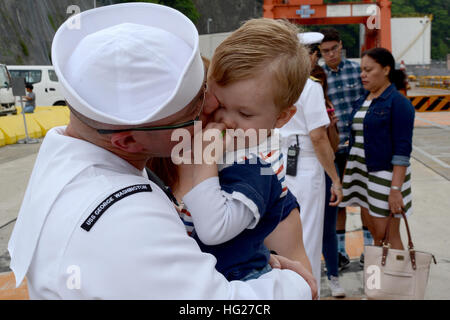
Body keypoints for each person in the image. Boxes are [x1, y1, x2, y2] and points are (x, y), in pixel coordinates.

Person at [7, 3, 312, 299]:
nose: (212, 110)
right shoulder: (124, 219)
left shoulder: (62, 158)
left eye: (202, 91)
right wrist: (297, 284)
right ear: (128, 142)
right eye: (194, 111)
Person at [149, 18, 317, 298]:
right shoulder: (180, 154)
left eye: (246, 114)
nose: (227, 120)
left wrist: (205, 159)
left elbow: (214, 230)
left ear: (282, 117)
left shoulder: (257, 167)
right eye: (218, 103)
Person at [280, 32, 343, 297]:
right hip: (305, 164)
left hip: (280, 161)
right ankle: (307, 292)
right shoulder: (310, 87)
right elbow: (318, 137)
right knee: (308, 236)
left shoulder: (278, 83)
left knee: (284, 235)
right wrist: (335, 179)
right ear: (311, 55)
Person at [339, 47, 415, 250]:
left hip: (385, 177)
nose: (363, 74)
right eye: (362, 70)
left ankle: (398, 279)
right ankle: (379, 280)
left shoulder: (398, 103)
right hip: (362, 175)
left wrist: (396, 190)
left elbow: (402, 151)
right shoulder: (363, 101)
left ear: (386, 69)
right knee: (375, 233)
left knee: (388, 235)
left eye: (369, 69)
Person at [319, 28, 372, 269]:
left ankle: (368, 250)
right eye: (325, 51)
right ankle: (340, 253)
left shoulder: (357, 71)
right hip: (335, 148)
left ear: (341, 46)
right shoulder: (319, 77)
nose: (330, 54)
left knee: (363, 198)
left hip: (359, 145)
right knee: (337, 200)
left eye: (333, 49)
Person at [309, 64, 345, 298]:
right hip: (301, 168)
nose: (318, 85)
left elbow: (331, 146)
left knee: (326, 229)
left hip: (324, 167)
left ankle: (333, 275)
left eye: (321, 81)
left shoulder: (327, 107)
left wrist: (331, 126)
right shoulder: (292, 97)